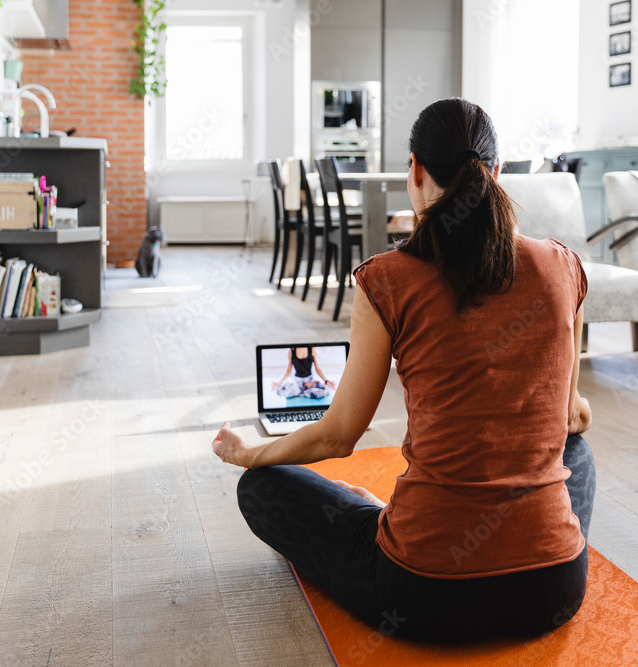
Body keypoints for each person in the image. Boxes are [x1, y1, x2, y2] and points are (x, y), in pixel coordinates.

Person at [212, 97, 594, 642]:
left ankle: (382, 513)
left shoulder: (386, 279)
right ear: (499, 173)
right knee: (575, 452)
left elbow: (340, 435)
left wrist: (251, 454)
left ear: (414, 170)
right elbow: (572, 416)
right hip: (554, 590)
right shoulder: (565, 268)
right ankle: (534, 537)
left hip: (423, 593)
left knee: (261, 489)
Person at [271, 346, 336, 399]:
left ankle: (301, 392)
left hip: (310, 381)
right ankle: (305, 391)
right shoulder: (291, 350)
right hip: (297, 383)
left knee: (327, 389)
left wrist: (326, 381)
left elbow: (318, 369)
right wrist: (278, 383)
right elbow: (288, 371)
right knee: (279, 391)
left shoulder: (312, 348)